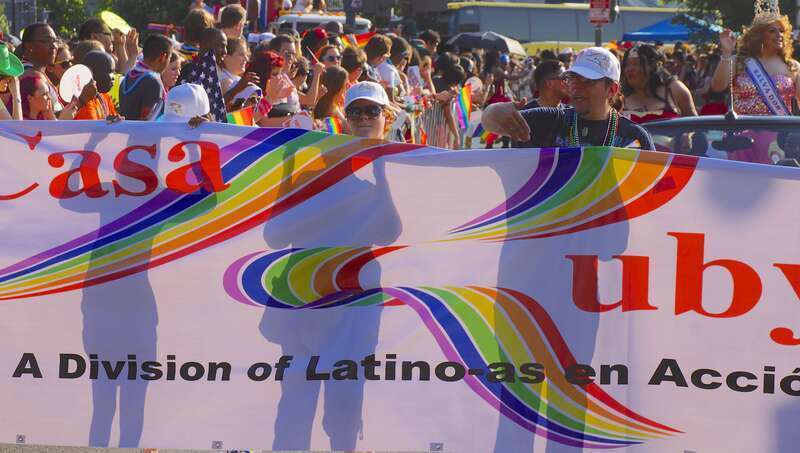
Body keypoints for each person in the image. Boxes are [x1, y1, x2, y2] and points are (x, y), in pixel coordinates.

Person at [482, 47, 654, 150]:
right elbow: (490, 123)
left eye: (588, 81)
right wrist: (494, 112)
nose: (577, 86)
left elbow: (653, 190)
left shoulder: (633, 137)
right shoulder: (551, 120)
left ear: (612, 89)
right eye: (573, 79)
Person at [711, 1, 799, 115]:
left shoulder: (792, 66)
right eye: (772, 31)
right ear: (758, 35)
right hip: (744, 126)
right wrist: (726, 52)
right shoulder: (739, 61)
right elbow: (717, 87)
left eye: (781, 31)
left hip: (780, 126)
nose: (779, 35)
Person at [18, 23, 81, 120]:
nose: (53, 46)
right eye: (47, 41)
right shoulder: (29, 79)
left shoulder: (37, 73)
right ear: (29, 47)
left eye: (55, 41)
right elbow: (33, 124)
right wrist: (63, 120)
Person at [620, 44, 697, 123]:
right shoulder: (618, 97)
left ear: (652, 66)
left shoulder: (676, 90)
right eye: (627, 64)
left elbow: (695, 126)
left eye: (636, 63)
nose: (629, 69)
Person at [119, 34, 172, 120]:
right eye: (169, 58)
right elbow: (148, 121)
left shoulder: (128, 76)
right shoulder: (152, 81)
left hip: (126, 128)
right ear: (163, 57)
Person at [75, 51, 120, 121]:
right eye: (109, 72)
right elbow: (93, 126)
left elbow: (113, 121)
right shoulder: (80, 101)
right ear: (92, 73)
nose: (113, 77)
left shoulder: (105, 97)